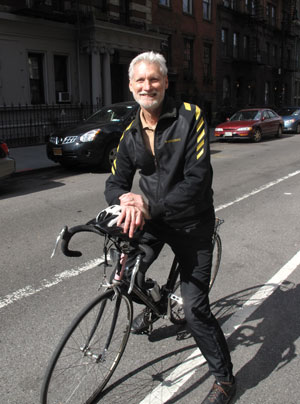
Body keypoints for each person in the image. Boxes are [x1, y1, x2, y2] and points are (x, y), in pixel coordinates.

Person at [104, 51, 236, 404]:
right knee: (124, 276)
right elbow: (115, 180)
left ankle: (224, 379)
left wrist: (151, 206)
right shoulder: (131, 129)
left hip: (192, 222)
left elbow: (198, 177)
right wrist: (125, 200)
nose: (148, 86)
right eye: (140, 80)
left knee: (195, 311)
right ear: (131, 86)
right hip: (151, 219)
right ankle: (157, 299)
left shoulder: (189, 116)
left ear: (165, 82)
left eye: (154, 79)